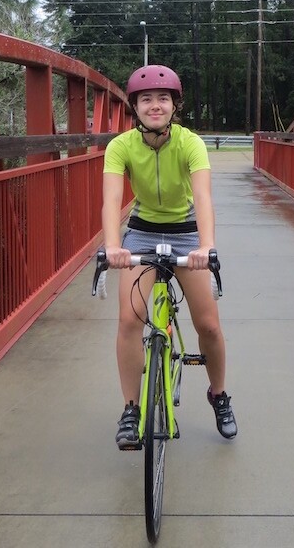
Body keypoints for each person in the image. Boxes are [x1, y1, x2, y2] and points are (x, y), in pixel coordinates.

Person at [101, 64, 237, 450]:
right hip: (142, 232)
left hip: (186, 232)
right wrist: (114, 246)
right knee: (130, 319)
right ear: (135, 107)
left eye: (163, 99)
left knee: (208, 325)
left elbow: (204, 197)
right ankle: (131, 408)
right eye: (147, 99)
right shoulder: (121, 146)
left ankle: (219, 394)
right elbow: (112, 201)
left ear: (175, 106)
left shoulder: (189, 143)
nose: (155, 105)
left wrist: (205, 247)